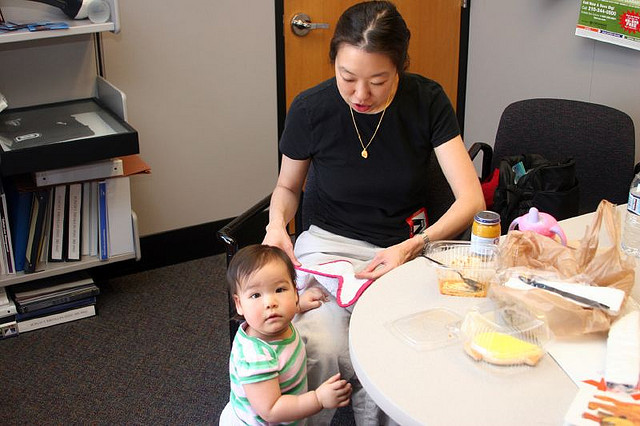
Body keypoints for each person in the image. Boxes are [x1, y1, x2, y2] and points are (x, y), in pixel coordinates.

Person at [262, 1, 485, 424]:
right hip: (330, 247)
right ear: (334, 63)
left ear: (400, 67)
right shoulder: (311, 110)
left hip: (404, 249)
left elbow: (471, 200)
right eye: (347, 78)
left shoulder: (427, 100)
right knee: (321, 344)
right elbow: (287, 187)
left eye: (378, 81)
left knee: (398, 347)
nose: (361, 94)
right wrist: (277, 225)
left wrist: (412, 246)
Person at [219, 244, 352, 425]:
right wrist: (318, 399)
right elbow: (272, 410)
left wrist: (298, 305)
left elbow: (282, 308)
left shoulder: (271, 322)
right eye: (256, 295)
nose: (270, 303)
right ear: (239, 304)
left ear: (295, 290)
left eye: (280, 290)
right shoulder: (256, 357)